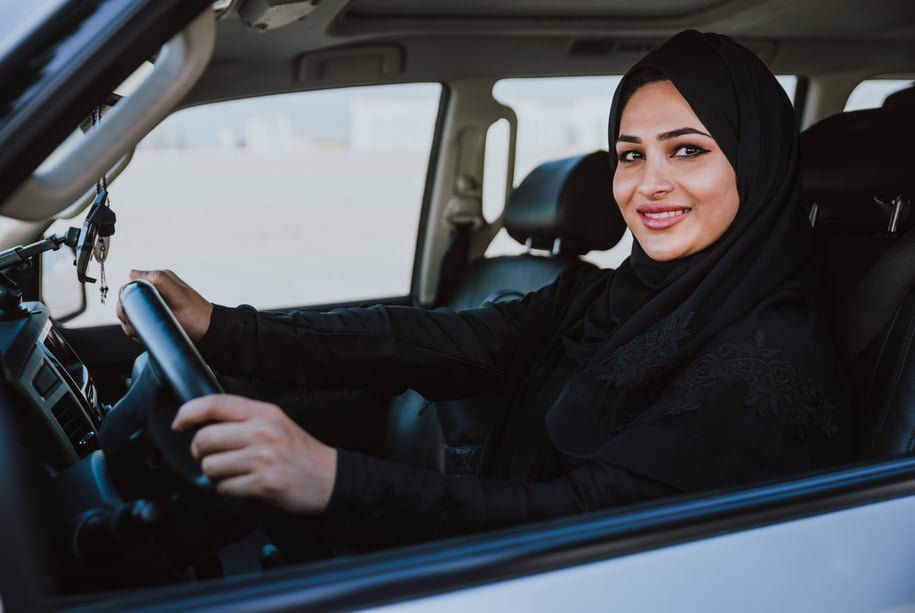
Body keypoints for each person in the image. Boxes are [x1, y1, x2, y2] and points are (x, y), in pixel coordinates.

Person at [118, 30, 852, 552]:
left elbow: (585, 522)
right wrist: (221, 327)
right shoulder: (602, 297)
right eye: (629, 155)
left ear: (755, 166)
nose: (646, 184)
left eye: (687, 150)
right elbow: (434, 339)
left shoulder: (773, 364)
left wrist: (330, 478)